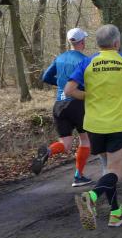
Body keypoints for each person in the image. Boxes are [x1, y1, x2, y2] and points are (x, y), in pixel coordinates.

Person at [65, 24, 122, 229]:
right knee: (115, 172)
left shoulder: (87, 62)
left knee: (107, 169)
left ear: (98, 43)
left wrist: (90, 96)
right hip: (118, 124)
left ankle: (116, 212)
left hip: (94, 126)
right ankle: (91, 196)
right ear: (117, 43)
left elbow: (68, 90)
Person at [31, 27, 92, 186]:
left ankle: (48, 151)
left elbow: (45, 77)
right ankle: (78, 176)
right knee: (85, 140)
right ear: (82, 42)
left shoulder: (59, 58)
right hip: (77, 104)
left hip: (59, 105)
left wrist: (61, 84)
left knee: (65, 144)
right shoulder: (85, 60)